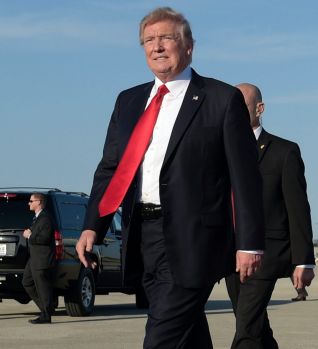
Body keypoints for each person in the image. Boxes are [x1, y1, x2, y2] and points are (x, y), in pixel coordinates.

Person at [75, 7, 264, 349]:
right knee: (187, 332)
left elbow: (246, 178)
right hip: (143, 235)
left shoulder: (221, 100)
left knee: (161, 337)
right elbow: (111, 169)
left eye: (166, 38)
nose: (157, 46)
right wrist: (93, 225)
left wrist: (248, 244)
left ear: (189, 46)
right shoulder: (129, 101)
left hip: (195, 239)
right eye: (149, 40)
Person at [225, 83, 315, 349]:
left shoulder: (283, 152)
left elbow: (298, 209)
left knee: (247, 329)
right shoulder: (222, 152)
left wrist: (304, 261)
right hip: (232, 255)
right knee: (255, 324)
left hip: (268, 253)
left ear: (259, 108)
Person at [21, 192, 55, 324]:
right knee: (27, 282)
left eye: (31, 201)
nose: (29, 203)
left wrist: (29, 235)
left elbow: (45, 238)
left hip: (42, 259)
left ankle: (46, 315)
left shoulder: (45, 218)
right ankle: (46, 308)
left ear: (39, 202)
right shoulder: (37, 218)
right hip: (34, 259)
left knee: (42, 287)